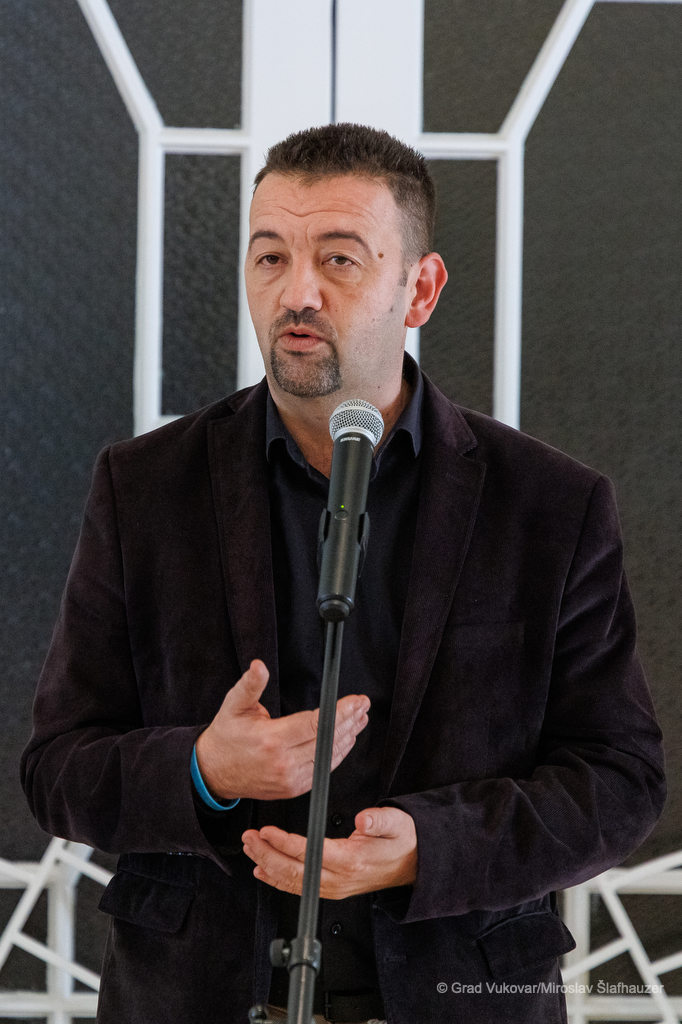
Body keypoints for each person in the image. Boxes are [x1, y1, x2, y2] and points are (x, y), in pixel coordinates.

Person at [21, 123, 665, 1024]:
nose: (297, 292)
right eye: (270, 257)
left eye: (339, 260)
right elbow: (56, 767)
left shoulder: (550, 506)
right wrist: (204, 768)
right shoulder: (145, 487)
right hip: (196, 996)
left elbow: (620, 780)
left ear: (420, 289)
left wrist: (431, 848)